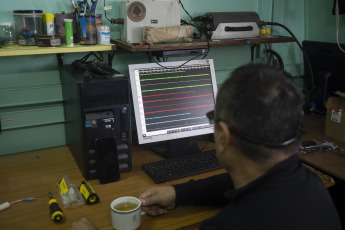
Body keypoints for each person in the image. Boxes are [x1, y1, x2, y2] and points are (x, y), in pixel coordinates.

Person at [71, 64, 342, 230]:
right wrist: (178, 193)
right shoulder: (312, 185)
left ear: (223, 136)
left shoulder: (228, 226)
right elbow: (237, 183)